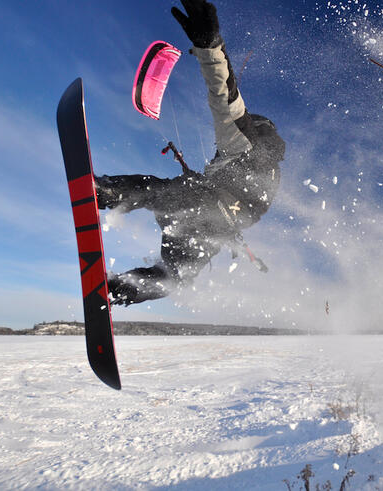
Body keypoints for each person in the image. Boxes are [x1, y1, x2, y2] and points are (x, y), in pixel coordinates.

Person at [95, 0, 285, 305]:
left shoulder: (246, 142)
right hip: (218, 231)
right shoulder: (271, 172)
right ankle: (120, 289)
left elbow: (225, 96)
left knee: (154, 189)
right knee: (174, 275)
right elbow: (245, 207)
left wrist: (209, 46)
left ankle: (103, 192)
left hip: (204, 207)